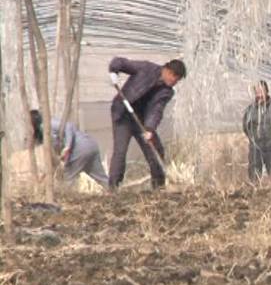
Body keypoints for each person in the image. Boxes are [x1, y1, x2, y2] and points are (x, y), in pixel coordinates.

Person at [108, 57, 186, 190]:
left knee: (156, 150)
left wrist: (150, 128)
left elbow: (156, 109)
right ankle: (114, 188)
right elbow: (121, 62)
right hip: (123, 115)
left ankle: (158, 187)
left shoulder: (167, 92)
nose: (174, 82)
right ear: (167, 71)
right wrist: (114, 72)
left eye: (177, 81)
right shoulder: (146, 68)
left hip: (143, 120)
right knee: (120, 151)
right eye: (175, 78)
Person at [29, 109, 109, 188]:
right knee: (102, 179)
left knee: (67, 179)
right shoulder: (44, 136)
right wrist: (45, 175)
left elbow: (69, 126)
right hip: (91, 146)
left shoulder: (47, 125)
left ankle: (67, 198)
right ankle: (113, 192)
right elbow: (54, 160)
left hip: (80, 148)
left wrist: (68, 147)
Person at [242, 80, 271, 182]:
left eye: (262, 91)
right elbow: (245, 127)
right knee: (254, 178)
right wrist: (253, 139)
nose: (259, 94)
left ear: (267, 92)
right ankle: (255, 195)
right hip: (256, 149)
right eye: (257, 92)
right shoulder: (250, 110)